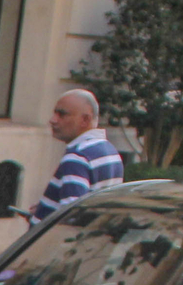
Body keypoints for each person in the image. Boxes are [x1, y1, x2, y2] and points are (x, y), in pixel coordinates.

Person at [28, 89, 124, 221]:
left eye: (62, 114)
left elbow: (71, 217)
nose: (52, 120)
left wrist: (42, 224)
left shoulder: (77, 157)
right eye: (54, 113)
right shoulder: (110, 151)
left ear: (85, 120)